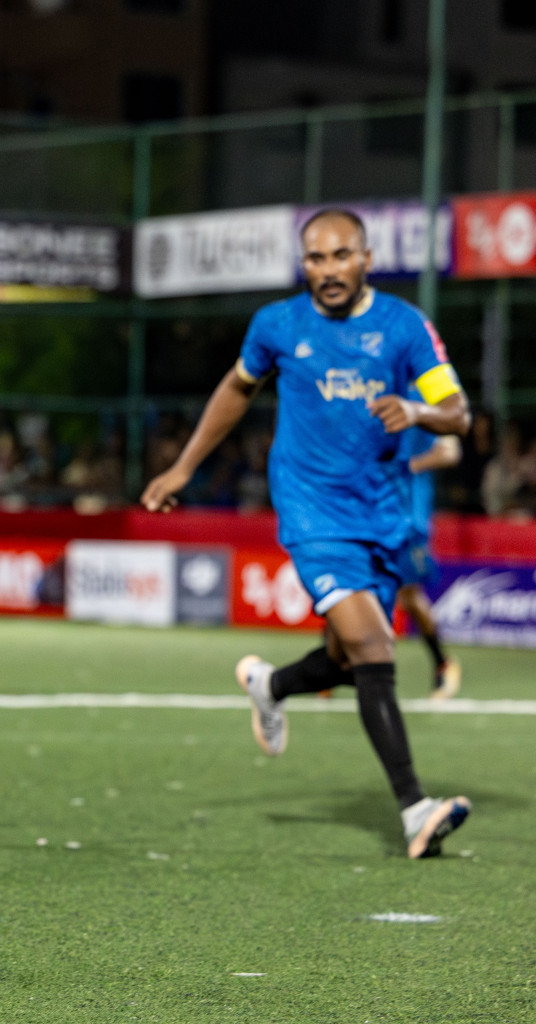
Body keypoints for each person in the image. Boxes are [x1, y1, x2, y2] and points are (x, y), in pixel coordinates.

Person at [141, 208, 472, 859]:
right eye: (316, 259)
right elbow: (236, 388)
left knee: (349, 660)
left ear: (366, 259)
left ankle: (271, 686)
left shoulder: (404, 327)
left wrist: (417, 411)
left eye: (341, 255)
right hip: (312, 512)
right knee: (374, 649)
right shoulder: (277, 325)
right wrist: (183, 466)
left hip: (382, 515)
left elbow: (457, 414)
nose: (329, 270)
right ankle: (414, 810)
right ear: (304, 266)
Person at [395, 399, 462, 699]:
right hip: (374, 515)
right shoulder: (373, 389)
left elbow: (450, 452)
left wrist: (409, 466)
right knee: (353, 585)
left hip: (410, 520)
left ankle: (442, 663)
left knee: (410, 596)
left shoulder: (427, 399)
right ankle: (330, 669)